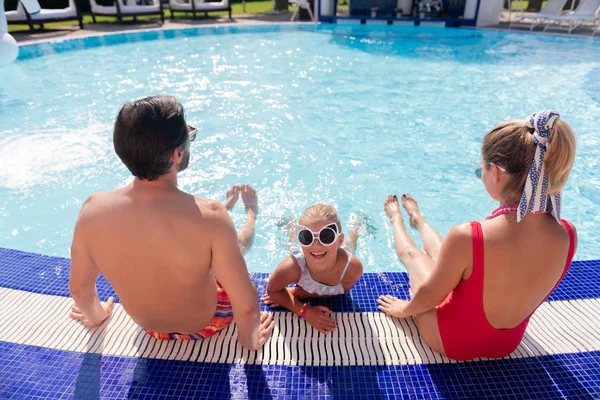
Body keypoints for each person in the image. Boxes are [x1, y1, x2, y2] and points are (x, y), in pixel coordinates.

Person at [68, 95, 274, 350]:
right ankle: (250, 214)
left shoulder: (92, 210)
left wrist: (96, 316)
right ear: (177, 153)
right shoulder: (212, 216)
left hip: (150, 328)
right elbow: (247, 305)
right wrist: (251, 340)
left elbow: (79, 288)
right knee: (234, 245)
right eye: (188, 134)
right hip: (207, 323)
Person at [378, 111, 577, 361]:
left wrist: (403, 309)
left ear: (495, 172)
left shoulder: (469, 235)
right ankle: (417, 218)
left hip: (453, 342)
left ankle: (397, 218)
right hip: (507, 344)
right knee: (452, 257)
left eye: (480, 170)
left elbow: (430, 296)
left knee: (415, 255)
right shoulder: (567, 234)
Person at [262, 204, 364, 334]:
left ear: (339, 240)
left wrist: (295, 292)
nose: (316, 245)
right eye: (306, 237)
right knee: (291, 242)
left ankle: (355, 231)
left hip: (340, 253)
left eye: (327, 236)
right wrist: (304, 311)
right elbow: (272, 291)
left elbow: (341, 292)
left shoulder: (352, 268)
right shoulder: (293, 267)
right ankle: (290, 226)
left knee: (351, 246)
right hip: (307, 256)